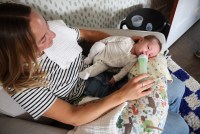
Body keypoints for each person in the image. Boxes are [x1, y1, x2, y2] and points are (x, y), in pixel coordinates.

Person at [0, 3, 189, 134]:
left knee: (177, 88)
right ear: (19, 52)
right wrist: (123, 95)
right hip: (87, 103)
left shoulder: (53, 31)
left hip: (102, 72)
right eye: (43, 39)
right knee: (179, 126)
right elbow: (72, 116)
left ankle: (165, 114)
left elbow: (88, 34)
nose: (52, 34)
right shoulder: (20, 83)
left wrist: (121, 45)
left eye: (46, 26)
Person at [79, 35, 161, 87]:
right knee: (98, 45)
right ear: (141, 40)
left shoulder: (134, 60)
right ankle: (89, 58)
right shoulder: (127, 40)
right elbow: (113, 38)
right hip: (103, 49)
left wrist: (115, 78)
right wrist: (104, 42)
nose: (147, 53)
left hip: (105, 63)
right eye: (148, 48)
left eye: (150, 55)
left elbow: (125, 70)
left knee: (96, 70)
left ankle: (86, 73)